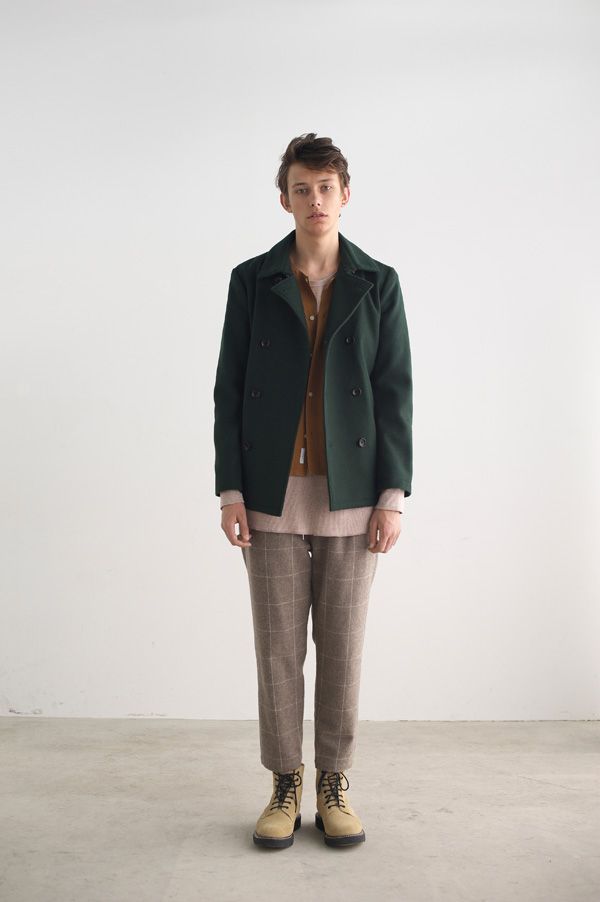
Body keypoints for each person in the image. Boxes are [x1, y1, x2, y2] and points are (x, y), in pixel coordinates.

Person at [213, 132, 413, 849]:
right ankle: (283, 783)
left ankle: (334, 782)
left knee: (343, 649)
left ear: (345, 195)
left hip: (353, 497)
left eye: (326, 187)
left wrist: (392, 495)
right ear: (285, 199)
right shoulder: (252, 280)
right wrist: (230, 490)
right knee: (276, 652)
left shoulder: (378, 282)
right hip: (269, 495)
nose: (315, 200)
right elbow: (229, 388)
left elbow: (395, 391)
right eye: (302, 188)